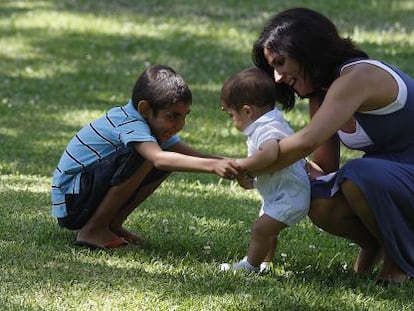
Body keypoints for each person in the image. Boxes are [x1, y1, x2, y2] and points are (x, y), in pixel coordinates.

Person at [252, 7, 414, 283]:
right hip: (397, 182)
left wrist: (249, 166)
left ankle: (399, 263)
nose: (277, 77)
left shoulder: (357, 77)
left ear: (306, 50)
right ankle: (376, 244)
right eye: (272, 68)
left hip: (400, 175)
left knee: (360, 175)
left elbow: (307, 140)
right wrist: (285, 170)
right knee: (318, 199)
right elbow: (323, 169)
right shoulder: (321, 95)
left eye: (280, 62)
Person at [51, 64, 242, 249]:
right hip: (73, 202)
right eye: (173, 116)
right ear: (144, 109)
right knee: (148, 157)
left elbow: (190, 154)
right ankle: (93, 230)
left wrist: (231, 163)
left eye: (184, 116)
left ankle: (111, 225)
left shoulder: (148, 127)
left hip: (83, 196)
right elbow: (158, 158)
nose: (181, 124)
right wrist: (213, 167)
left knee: (165, 157)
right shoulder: (131, 123)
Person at [220, 67, 310, 273]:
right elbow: (267, 164)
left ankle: (249, 266)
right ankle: (265, 263)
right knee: (268, 231)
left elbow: (269, 154)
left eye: (231, 115)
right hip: (280, 192)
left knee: (260, 229)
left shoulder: (265, 128)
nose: (232, 121)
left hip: (290, 195)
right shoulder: (269, 122)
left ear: (247, 111)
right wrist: (249, 176)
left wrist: (241, 165)